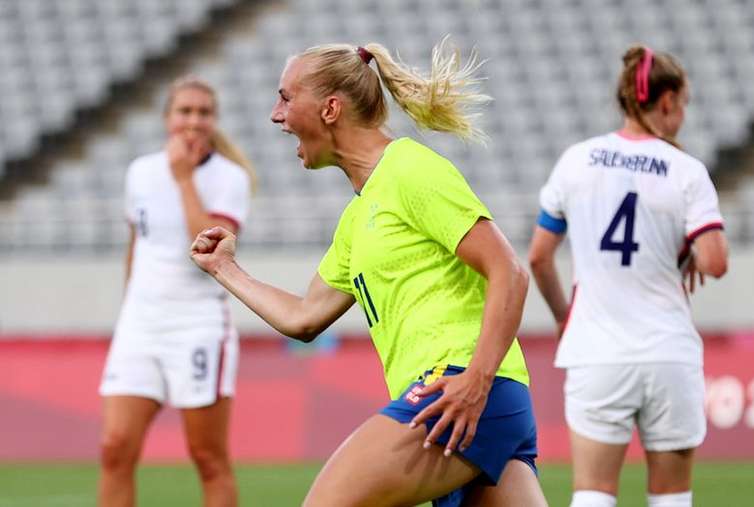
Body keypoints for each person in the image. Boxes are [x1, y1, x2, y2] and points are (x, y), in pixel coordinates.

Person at [190, 40, 548, 507]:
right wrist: (225, 268)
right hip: (475, 400)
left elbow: (509, 271)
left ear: (330, 109)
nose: (275, 116)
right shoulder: (357, 219)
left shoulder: (410, 169)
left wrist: (475, 381)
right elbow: (304, 317)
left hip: (464, 390)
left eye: (285, 98)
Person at [527, 45, 729, 507]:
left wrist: (565, 318)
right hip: (667, 353)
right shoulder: (686, 171)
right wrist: (693, 255)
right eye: (682, 106)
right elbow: (714, 261)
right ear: (666, 101)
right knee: (672, 499)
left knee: (593, 495)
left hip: (597, 352)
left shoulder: (576, 161)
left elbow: (539, 257)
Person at [98, 76, 256, 507]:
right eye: (184, 111)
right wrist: (131, 303)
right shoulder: (140, 172)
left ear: (214, 121)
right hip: (141, 324)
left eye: (203, 112)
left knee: (207, 457)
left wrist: (184, 179)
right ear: (167, 118)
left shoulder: (229, 178)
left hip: (197, 325)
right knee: (115, 448)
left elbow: (207, 251)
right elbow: (138, 243)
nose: (193, 120)